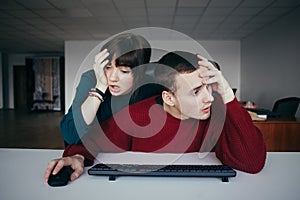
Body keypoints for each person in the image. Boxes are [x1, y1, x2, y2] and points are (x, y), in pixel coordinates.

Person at [44, 51, 266, 183]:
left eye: (210, 87)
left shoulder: (216, 109)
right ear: (169, 98)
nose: (208, 97)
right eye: (196, 91)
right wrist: (78, 157)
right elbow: (92, 141)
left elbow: (252, 163)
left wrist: (227, 94)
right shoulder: (137, 115)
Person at [60, 33, 161, 145]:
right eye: (107, 67)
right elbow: (70, 134)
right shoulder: (91, 79)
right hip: (88, 153)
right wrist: (100, 87)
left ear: (140, 72)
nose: (112, 78)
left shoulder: (151, 86)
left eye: (124, 71)